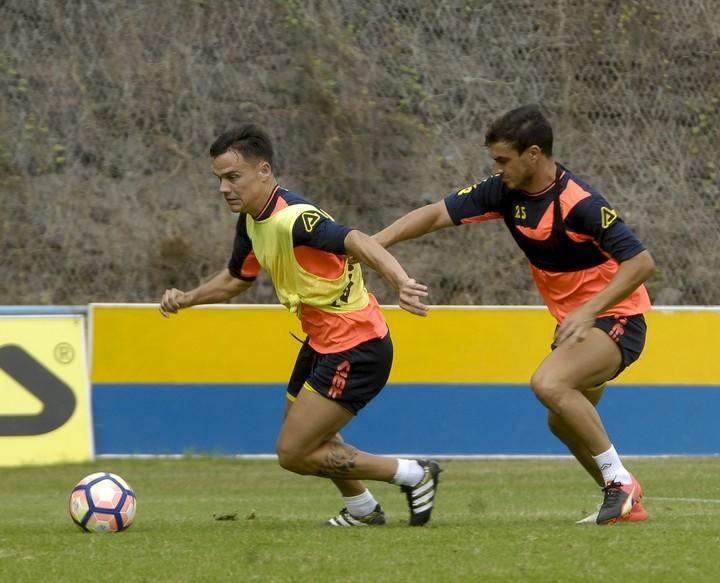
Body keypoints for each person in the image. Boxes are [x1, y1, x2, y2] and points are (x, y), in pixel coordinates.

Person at [373, 104, 655, 525]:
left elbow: (642, 263)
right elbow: (435, 213)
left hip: (617, 317)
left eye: (503, 160)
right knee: (563, 421)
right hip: (577, 325)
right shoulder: (504, 191)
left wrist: (587, 310)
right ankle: (624, 505)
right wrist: (371, 244)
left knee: (548, 382)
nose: (497, 168)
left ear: (534, 155)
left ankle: (620, 483)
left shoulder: (580, 203)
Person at [159, 124, 441, 527]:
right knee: (311, 439)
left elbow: (357, 239)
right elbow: (236, 279)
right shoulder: (253, 220)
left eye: (232, 177)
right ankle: (363, 510)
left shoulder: (296, 219)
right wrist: (187, 298)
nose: (223, 188)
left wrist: (400, 282)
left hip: (356, 346)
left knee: (293, 452)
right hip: (324, 341)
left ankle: (414, 474)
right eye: (219, 179)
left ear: (264, 172)